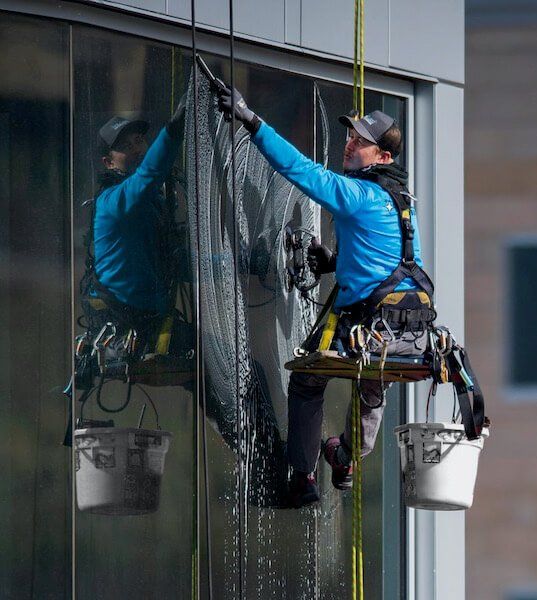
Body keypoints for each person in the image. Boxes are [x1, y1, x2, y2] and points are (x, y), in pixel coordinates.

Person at [215, 86, 435, 508]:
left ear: (383, 158)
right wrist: (333, 261)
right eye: (350, 136)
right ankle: (348, 457)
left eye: (361, 142)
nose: (349, 144)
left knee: (307, 379)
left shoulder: (358, 194)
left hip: (370, 321)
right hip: (409, 327)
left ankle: (302, 479)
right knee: (374, 381)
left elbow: (300, 171)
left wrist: (250, 120)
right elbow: (393, 257)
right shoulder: (402, 201)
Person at [78, 99, 192, 384]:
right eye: (127, 147)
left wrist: (246, 262)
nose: (138, 149)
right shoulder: (114, 202)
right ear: (108, 162)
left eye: (140, 141)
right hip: (129, 330)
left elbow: (177, 263)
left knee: (234, 376)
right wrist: (173, 131)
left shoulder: (150, 209)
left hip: (150, 328)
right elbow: (146, 177)